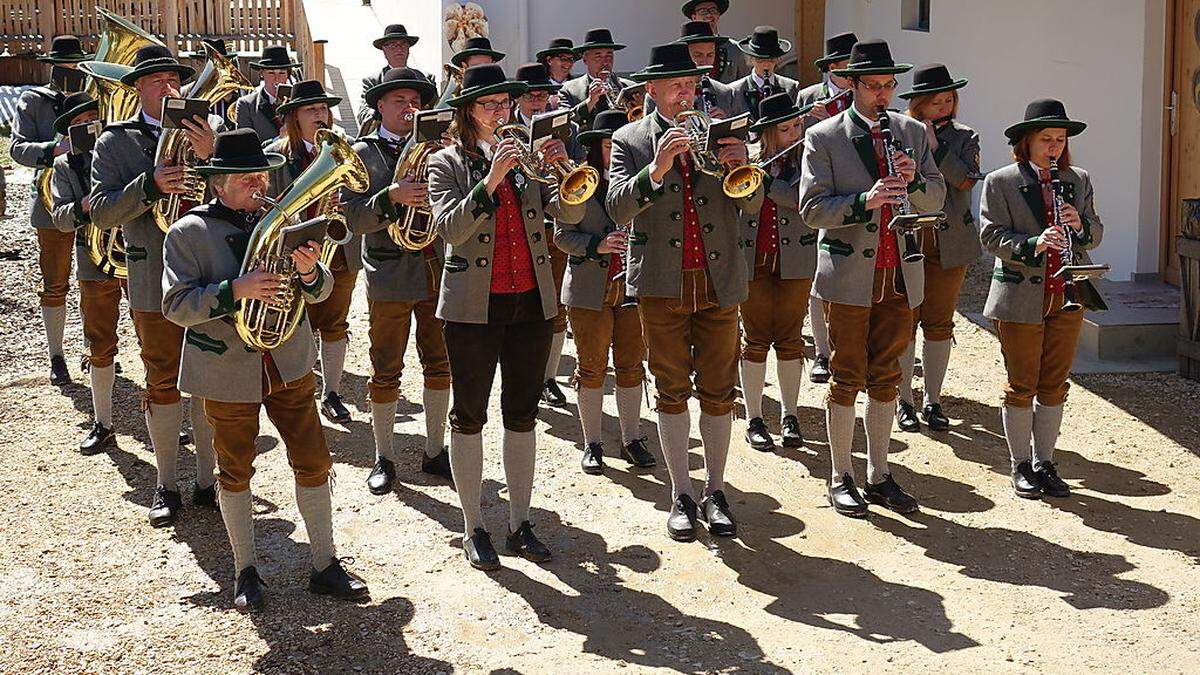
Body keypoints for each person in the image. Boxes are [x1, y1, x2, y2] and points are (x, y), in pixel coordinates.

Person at [162, 128, 369, 611]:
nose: (258, 182)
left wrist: (310, 272)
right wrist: (235, 290)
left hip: (289, 360)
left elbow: (318, 294)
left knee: (315, 460)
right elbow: (175, 306)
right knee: (234, 469)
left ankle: (324, 562)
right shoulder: (188, 232)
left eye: (261, 173)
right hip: (226, 369)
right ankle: (244, 570)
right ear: (218, 183)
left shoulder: (288, 220)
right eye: (244, 177)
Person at [428, 64, 584, 570]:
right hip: (474, 308)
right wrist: (492, 179)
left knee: (522, 413)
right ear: (468, 112)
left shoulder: (529, 159)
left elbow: (572, 217)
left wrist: (562, 176)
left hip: (531, 304)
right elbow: (449, 230)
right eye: (491, 105)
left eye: (506, 104)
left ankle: (520, 521)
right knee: (468, 414)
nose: (503, 113)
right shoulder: (446, 163)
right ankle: (474, 525)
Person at [607, 43, 762, 541]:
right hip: (661, 282)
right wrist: (654, 169)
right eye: (676, 86)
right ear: (651, 89)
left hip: (719, 281)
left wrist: (740, 160)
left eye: (692, 85)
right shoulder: (629, 138)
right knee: (671, 387)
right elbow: (615, 207)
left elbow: (754, 202)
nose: (686, 94)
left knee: (719, 389)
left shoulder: (723, 129)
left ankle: (715, 490)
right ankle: (680, 492)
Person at [798, 39, 945, 518]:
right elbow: (812, 209)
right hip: (848, 275)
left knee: (889, 375)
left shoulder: (912, 133)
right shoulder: (823, 136)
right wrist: (867, 200)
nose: (883, 95)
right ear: (853, 84)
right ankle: (840, 475)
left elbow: (935, 201)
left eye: (889, 86)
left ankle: (880, 474)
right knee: (846, 375)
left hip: (900, 271)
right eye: (873, 86)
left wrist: (915, 180)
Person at [90, 44, 220, 527]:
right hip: (152, 275)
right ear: (138, 88)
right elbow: (101, 211)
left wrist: (212, 158)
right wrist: (150, 185)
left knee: (210, 376)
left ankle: (209, 477)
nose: (169, 87)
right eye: (157, 80)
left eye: (174, 79)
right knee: (161, 377)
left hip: (208, 270)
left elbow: (243, 195)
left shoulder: (209, 131)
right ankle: (166, 482)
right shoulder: (115, 141)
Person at [980, 99, 1103, 500]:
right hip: (1019, 293)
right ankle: (1019, 464)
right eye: (1046, 139)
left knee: (1054, 382)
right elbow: (990, 236)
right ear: (1026, 142)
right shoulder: (1000, 181)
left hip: (1066, 291)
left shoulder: (1078, 178)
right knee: (1022, 384)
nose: (1054, 147)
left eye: (1060, 140)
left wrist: (1078, 224)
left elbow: (1095, 232)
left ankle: (1044, 461)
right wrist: (1034, 242)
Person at [345, 68, 453, 494]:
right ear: (379, 107)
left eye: (415, 101)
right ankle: (384, 455)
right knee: (385, 367)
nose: (409, 108)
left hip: (434, 269)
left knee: (439, 362)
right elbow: (351, 218)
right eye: (398, 101)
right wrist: (389, 198)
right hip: (389, 271)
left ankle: (434, 448)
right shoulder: (362, 153)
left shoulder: (440, 149)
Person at [555, 109, 655, 475]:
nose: (615, 152)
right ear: (596, 147)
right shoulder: (578, 182)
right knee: (592, 368)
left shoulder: (641, 182)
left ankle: (632, 438)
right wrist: (597, 244)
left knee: (632, 366)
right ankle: (592, 442)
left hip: (632, 285)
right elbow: (562, 236)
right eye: (609, 144)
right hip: (589, 289)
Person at [263, 80, 360, 423]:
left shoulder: (344, 149)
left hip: (335, 251)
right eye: (312, 110)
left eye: (324, 109)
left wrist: (340, 205)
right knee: (292, 323)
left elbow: (360, 198)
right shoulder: (274, 153)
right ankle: (291, 390)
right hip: (290, 253)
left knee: (334, 323)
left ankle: (331, 391)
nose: (321, 115)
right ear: (294, 117)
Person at [895, 64, 981, 433]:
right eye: (935, 102)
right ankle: (903, 399)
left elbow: (964, 180)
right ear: (918, 104)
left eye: (949, 100)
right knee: (904, 319)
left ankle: (933, 398)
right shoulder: (898, 131)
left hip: (949, 239)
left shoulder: (965, 136)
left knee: (939, 321)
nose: (944, 107)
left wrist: (935, 148)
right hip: (908, 234)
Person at [738, 94, 818, 453]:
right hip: (753, 258)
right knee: (754, 340)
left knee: (789, 339)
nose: (794, 133)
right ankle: (755, 416)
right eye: (785, 129)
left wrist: (767, 182)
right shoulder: (750, 159)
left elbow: (801, 199)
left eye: (797, 126)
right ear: (768, 133)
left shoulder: (810, 158)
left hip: (795, 259)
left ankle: (790, 414)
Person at [11, 35, 93, 385]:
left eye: (77, 65)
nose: (72, 70)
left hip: (91, 195)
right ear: (54, 66)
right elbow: (17, 148)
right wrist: (54, 148)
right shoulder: (33, 100)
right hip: (50, 200)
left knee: (96, 280)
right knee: (55, 280)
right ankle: (56, 354)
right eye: (67, 65)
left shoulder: (93, 98)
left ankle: (97, 347)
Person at [48, 92, 123, 453]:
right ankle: (103, 421)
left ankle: (167, 417)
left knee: (156, 342)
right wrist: (84, 205)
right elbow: (60, 219)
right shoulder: (63, 167)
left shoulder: (121, 150)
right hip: (94, 260)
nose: (87, 127)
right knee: (99, 342)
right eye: (79, 124)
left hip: (135, 256)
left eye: (92, 118)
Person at [512, 63, 577, 406]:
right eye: (530, 96)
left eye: (544, 95)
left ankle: (549, 377)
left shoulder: (568, 127)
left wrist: (562, 158)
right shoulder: (507, 133)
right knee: (522, 304)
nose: (538, 102)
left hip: (557, 229)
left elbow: (580, 172)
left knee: (554, 309)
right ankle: (523, 375)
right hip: (521, 230)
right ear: (518, 99)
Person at [796, 32, 858, 384]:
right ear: (831, 68)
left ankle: (849, 347)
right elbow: (788, 139)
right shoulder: (808, 96)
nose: (848, 75)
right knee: (818, 278)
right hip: (818, 191)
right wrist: (810, 123)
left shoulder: (864, 100)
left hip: (852, 194)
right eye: (843, 68)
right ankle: (822, 350)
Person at [641, 21, 736, 118]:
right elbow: (650, 128)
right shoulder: (658, 93)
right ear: (684, 55)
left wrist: (724, 123)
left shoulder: (725, 92)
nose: (705, 61)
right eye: (697, 55)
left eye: (710, 55)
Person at [558, 28, 634, 130]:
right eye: (598, 56)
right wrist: (589, 102)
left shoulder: (629, 87)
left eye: (609, 55)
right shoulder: (568, 89)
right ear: (585, 59)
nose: (605, 62)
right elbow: (562, 124)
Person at [358, 24, 427, 136]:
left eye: (403, 44)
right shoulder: (372, 81)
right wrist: (391, 114)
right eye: (393, 45)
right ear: (384, 50)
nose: (399, 48)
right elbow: (363, 114)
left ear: (409, 49)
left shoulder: (425, 79)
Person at [728, 27, 801, 122]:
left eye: (771, 59)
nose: (766, 64)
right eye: (760, 60)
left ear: (778, 59)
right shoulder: (734, 91)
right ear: (750, 59)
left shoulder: (791, 87)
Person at [233, 45, 303, 142]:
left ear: (288, 75)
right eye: (271, 73)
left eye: (282, 73)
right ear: (261, 73)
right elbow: (245, 143)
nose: (277, 78)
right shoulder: (246, 104)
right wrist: (278, 140)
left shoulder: (299, 103)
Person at [680, 0, 749, 84]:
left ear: (718, 15)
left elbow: (744, 83)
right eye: (703, 11)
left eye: (713, 10)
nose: (709, 15)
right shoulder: (683, 48)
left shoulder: (734, 48)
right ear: (694, 17)